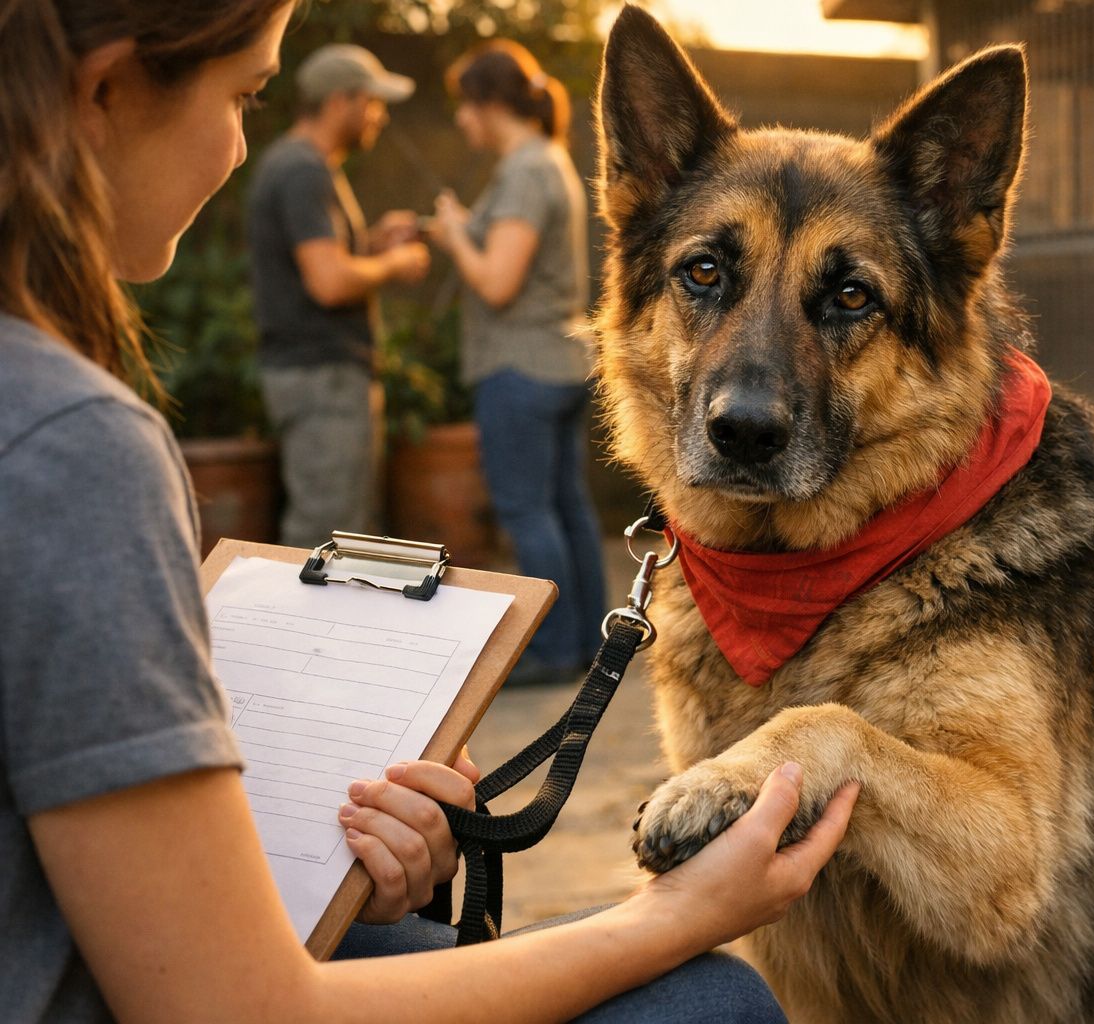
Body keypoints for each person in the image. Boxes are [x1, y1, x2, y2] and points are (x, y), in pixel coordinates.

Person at [0, 2, 861, 1022]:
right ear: (103, 91)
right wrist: (676, 914)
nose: (241, 144)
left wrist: (314, 822)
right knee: (712, 999)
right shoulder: (66, 445)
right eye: (246, 96)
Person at [427, 42, 606, 683]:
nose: (461, 122)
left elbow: (498, 281)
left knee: (527, 510)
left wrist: (454, 239)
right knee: (565, 505)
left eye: (464, 107)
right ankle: (588, 641)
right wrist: (460, 225)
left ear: (489, 104)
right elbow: (515, 252)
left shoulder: (525, 170)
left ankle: (553, 650)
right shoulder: (546, 161)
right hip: (558, 361)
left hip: (521, 368)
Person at [246, 42, 431, 548]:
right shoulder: (303, 170)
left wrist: (369, 243)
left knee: (339, 524)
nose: (380, 116)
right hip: (321, 376)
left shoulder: (299, 165)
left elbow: (316, 261)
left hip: (314, 375)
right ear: (338, 102)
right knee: (328, 531)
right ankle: (293, 629)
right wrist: (394, 264)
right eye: (372, 102)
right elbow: (327, 283)